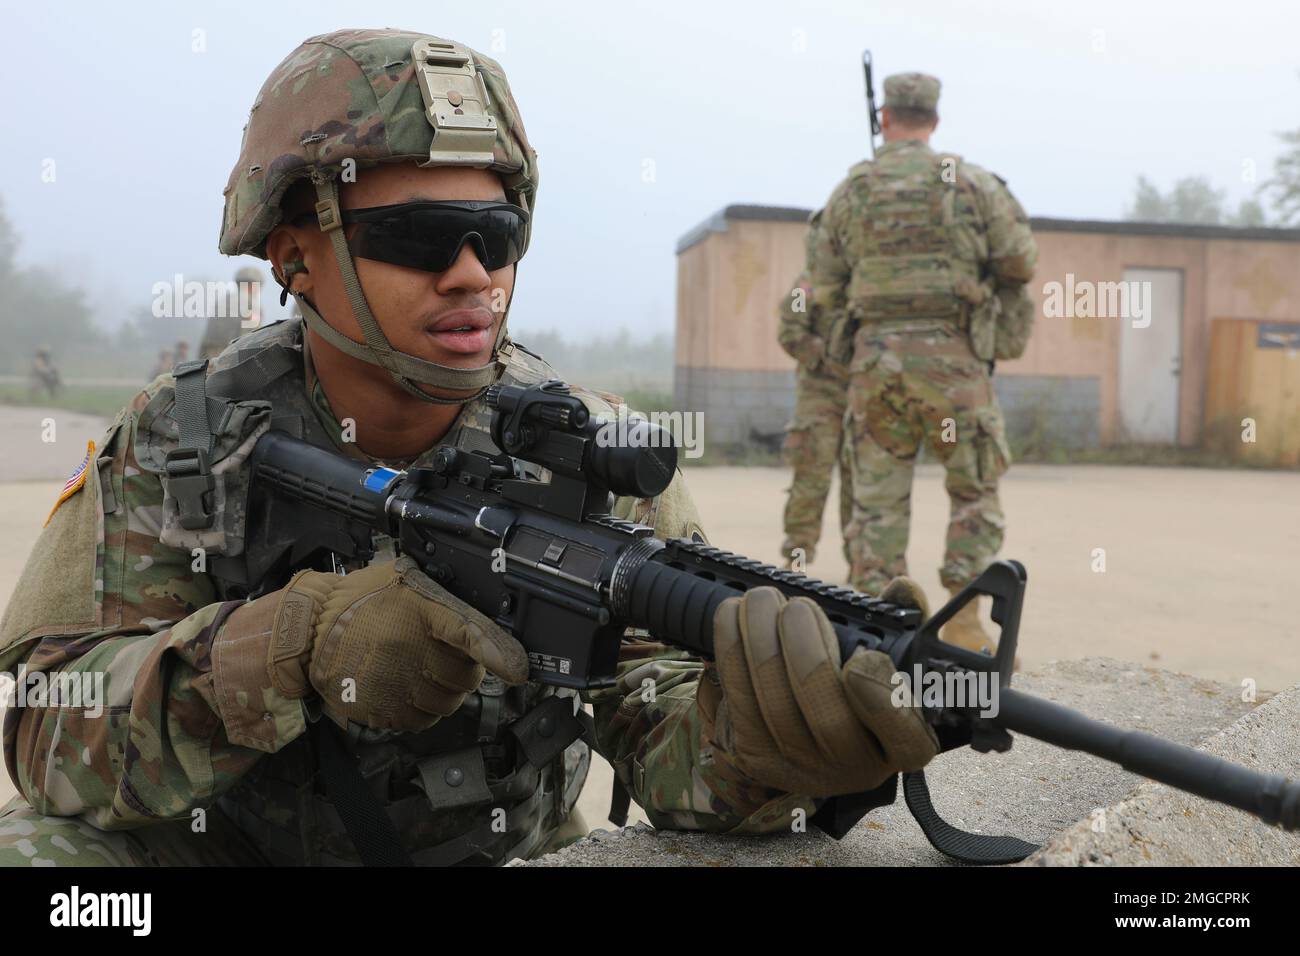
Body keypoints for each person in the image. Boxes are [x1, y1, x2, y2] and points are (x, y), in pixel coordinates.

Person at [0, 28, 937, 866]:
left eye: (498, 235)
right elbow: (43, 739)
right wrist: (286, 650)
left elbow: (660, 741)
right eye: (417, 237)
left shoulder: (585, 451)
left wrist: (759, 744)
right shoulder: (184, 441)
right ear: (293, 255)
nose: (472, 275)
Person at [808, 72, 1038, 654]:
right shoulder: (968, 182)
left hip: (876, 372)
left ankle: (877, 631)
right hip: (953, 373)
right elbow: (1019, 261)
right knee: (973, 490)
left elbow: (827, 286)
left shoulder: (853, 188)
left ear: (885, 118)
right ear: (934, 122)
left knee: (877, 503)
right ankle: (964, 620)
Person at [776, 212, 852, 569]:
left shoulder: (866, 284)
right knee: (811, 479)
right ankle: (797, 562)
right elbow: (790, 332)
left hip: (864, 396)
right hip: (820, 395)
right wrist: (826, 356)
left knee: (865, 487)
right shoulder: (807, 285)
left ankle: (865, 569)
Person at [197, 266, 262, 360]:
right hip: (232, 356)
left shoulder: (222, 302)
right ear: (253, 285)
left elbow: (207, 335)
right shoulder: (251, 304)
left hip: (210, 356)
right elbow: (253, 335)